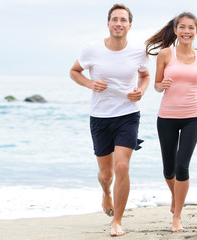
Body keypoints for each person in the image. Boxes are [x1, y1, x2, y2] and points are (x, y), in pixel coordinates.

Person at [70, 3, 150, 237]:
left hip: (128, 114)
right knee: (106, 175)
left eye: (123, 20)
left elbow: (145, 76)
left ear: (130, 25)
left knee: (122, 166)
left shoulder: (138, 50)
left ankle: (117, 221)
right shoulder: (92, 49)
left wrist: (141, 90)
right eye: (115, 19)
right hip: (100, 117)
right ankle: (106, 192)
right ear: (108, 23)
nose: (118, 23)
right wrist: (90, 84)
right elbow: (74, 71)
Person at [145, 12, 197, 232]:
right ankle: (176, 197)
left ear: (196, 31)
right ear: (175, 30)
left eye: (191, 27)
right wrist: (161, 85)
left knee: (182, 166)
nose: (187, 31)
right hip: (166, 117)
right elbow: (156, 84)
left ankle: (177, 216)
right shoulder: (166, 54)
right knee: (168, 170)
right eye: (182, 27)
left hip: (193, 116)